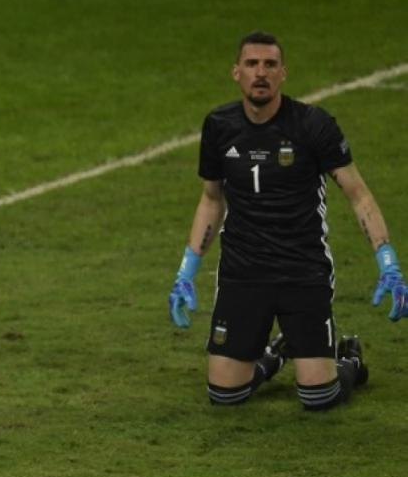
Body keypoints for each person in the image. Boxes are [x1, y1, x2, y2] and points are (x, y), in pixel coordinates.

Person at [167, 30, 407, 410]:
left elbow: (358, 194)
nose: (260, 73)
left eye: (269, 65)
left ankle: (349, 361)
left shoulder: (313, 125)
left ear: (283, 73)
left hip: (302, 270)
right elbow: (211, 199)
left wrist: (388, 262)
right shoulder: (219, 126)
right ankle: (276, 354)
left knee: (318, 397)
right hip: (243, 271)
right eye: (251, 64)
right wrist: (185, 272)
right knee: (225, 395)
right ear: (236, 73)